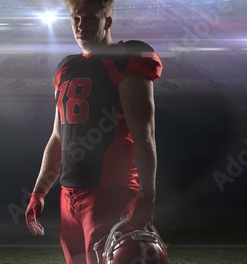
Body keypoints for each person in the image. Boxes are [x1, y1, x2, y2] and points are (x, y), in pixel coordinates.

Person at [25, 0, 163, 263]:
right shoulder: (65, 67)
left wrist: (147, 195)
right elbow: (57, 136)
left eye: (89, 19)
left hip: (111, 192)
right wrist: (39, 191)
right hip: (69, 194)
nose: (81, 27)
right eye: (76, 19)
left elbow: (144, 133)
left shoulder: (125, 58)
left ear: (107, 21)